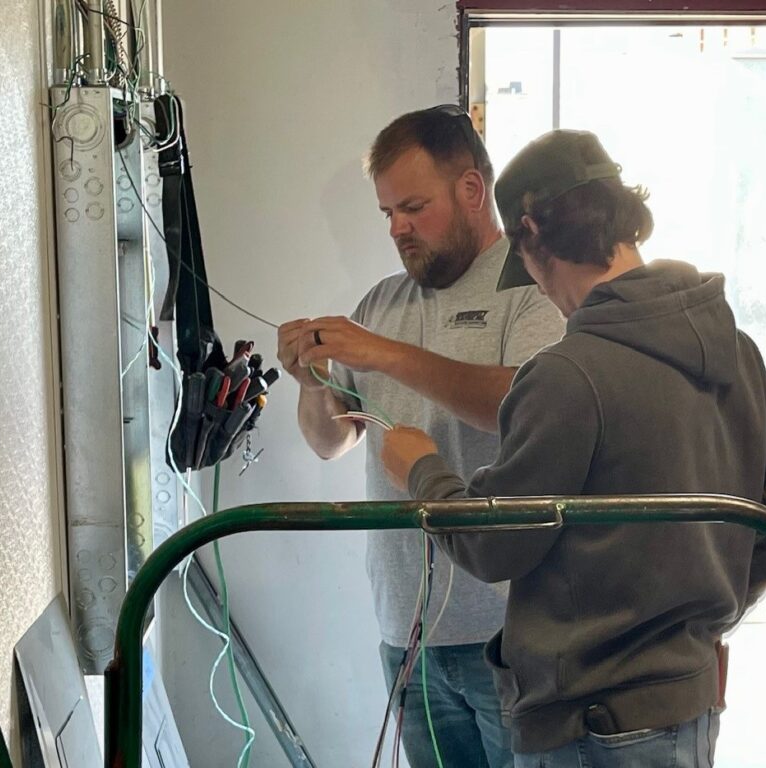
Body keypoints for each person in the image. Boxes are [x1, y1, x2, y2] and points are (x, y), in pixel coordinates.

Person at [380, 128, 766, 768]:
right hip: (688, 704)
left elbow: (493, 542)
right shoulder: (730, 344)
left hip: (590, 726)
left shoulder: (568, 375)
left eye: (528, 266)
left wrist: (422, 469)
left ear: (533, 233)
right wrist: (712, 597)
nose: (538, 288)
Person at [277, 106, 565, 768]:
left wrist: (385, 355)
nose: (398, 228)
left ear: (470, 189)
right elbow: (331, 441)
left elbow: (522, 406)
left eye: (413, 206)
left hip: (508, 631)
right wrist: (311, 382)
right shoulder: (383, 303)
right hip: (406, 634)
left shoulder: (532, 288)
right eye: (387, 214)